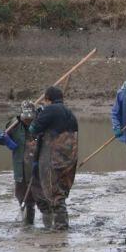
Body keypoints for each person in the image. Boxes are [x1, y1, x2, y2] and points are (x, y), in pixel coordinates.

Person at [0, 101, 51, 227]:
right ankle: (27, 227)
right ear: (21, 115)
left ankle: (49, 230)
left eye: (31, 118)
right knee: (24, 200)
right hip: (21, 171)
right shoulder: (14, 124)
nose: (28, 121)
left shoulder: (41, 124)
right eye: (26, 118)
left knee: (43, 201)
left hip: (38, 171)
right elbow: (4, 138)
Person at [29, 86, 78, 230]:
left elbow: (33, 129)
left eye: (45, 100)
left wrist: (38, 116)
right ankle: (61, 224)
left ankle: (61, 227)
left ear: (48, 99)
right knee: (61, 191)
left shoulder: (50, 110)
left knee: (54, 191)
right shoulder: (70, 113)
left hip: (54, 158)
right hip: (70, 159)